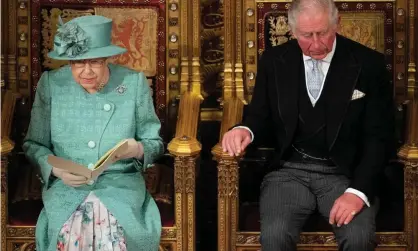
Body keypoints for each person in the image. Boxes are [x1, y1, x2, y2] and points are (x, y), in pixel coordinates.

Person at [221, 0, 394, 250]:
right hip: (288, 173)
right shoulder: (273, 60)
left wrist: (358, 193)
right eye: (306, 35)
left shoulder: (369, 65)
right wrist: (243, 130)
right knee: (275, 235)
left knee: (358, 238)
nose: (316, 44)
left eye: (323, 33)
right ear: (292, 31)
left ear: (337, 24)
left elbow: (380, 138)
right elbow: (259, 116)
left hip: (345, 175)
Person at [23, 15, 164, 251]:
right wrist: (56, 169)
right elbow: (34, 144)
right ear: (69, 62)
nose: (86, 71)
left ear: (108, 59)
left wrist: (137, 149)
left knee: (112, 227)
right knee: (72, 228)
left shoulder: (133, 83)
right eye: (78, 63)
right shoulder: (51, 84)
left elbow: (154, 142)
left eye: (96, 62)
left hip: (119, 185)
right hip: (68, 187)